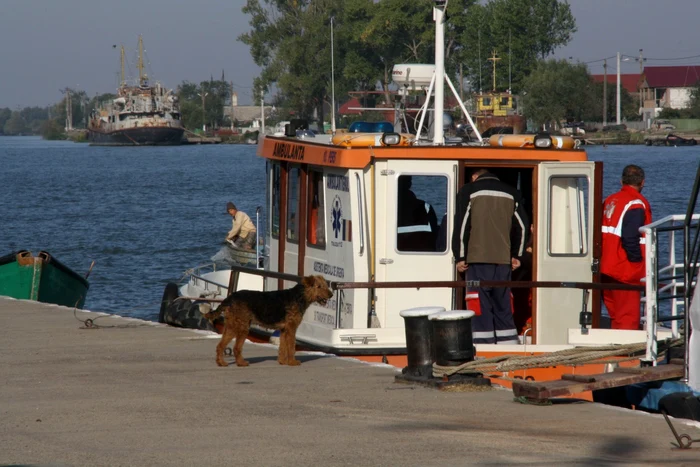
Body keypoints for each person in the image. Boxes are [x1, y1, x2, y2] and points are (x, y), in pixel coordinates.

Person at [452, 168, 530, 344]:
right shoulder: (512, 193)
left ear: (474, 176)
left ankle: (482, 346)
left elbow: (461, 225)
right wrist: (517, 255)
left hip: (476, 261)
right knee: (503, 304)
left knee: (479, 305)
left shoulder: (468, 191)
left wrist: (460, 256)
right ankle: (508, 345)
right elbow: (523, 227)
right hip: (503, 262)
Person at [601, 165, 652, 330]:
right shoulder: (635, 204)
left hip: (606, 267)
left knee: (615, 315)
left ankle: (615, 351)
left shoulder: (610, 200)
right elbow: (630, 237)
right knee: (627, 319)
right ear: (642, 182)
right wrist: (637, 263)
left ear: (621, 181)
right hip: (625, 270)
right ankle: (626, 355)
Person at [397, 176, 439, 252]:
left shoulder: (388, 207)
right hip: (424, 254)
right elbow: (435, 232)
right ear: (410, 184)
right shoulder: (426, 207)